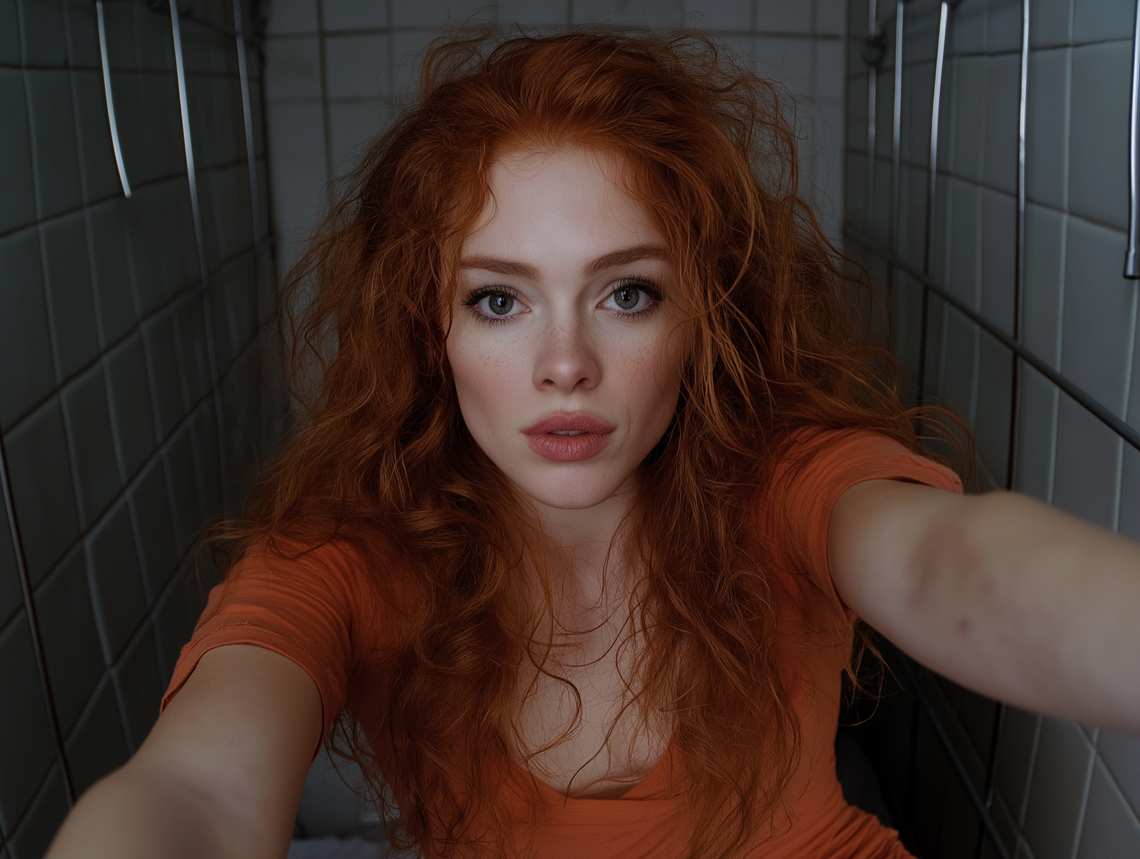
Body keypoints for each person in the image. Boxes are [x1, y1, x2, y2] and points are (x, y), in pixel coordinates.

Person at [46, 29, 1140, 859]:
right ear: (427, 329)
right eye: (498, 301)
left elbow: (957, 563)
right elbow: (192, 794)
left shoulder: (788, 484)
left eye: (625, 292)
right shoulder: (346, 561)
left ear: (700, 317)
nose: (565, 363)